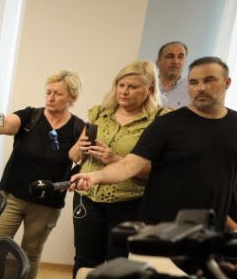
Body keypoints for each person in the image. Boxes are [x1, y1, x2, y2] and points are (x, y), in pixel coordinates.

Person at [72, 57, 237, 232]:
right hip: (160, 227)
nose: (201, 88)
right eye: (194, 82)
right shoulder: (167, 123)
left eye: (209, 80)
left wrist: (231, 224)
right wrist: (95, 177)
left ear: (227, 82)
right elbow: (129, 165)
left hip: (211, 228)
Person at [0, 70, 86, 279]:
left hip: (47, 203)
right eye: (48, 92)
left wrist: (83, 148)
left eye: (58, 94)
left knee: (31, 252)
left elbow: (77, 158)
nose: (51, 97)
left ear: (72, 97)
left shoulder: (78, 128)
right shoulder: (31, 116)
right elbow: (7, 122)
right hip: (14, 195)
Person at [68, 61, 168, 279]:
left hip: (129, 203)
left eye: (133, 86)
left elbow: (159, 173)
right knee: (84, 262)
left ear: (149, 89)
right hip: (88, 198)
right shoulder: (100, 113)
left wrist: (115, 159)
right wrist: (80, 148)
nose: (124, 91)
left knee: (118, 265)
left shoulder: (159, 121)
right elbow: (73, 156)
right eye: (121, 85)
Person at [156, 41, 190, 110]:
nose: (175, 61)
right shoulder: (146, 85)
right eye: (170, 56)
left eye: (180, 57)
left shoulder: (191, 90)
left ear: (185, 61)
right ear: (158, 62)